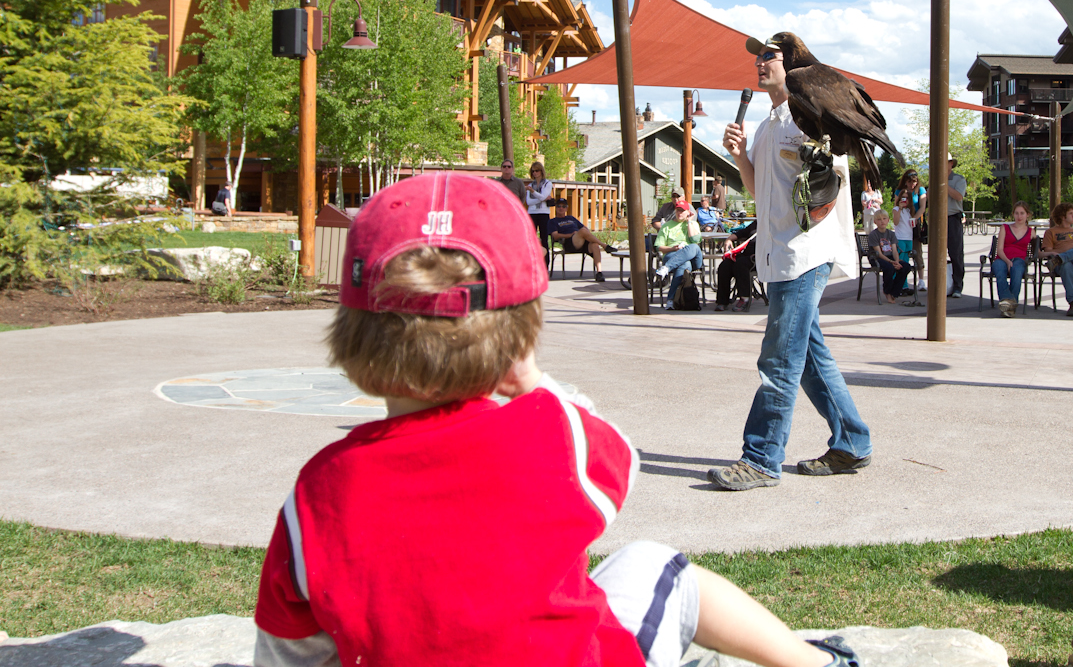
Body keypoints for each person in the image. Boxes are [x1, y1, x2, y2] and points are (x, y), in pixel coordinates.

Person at [251, 171, 858, 667]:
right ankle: (818, 665)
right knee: (657, 566)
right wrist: (534, 384)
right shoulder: (551, 434)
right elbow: (620, 463)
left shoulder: (316, 494)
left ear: (351, 335)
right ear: (521, 336)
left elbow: (289, 654)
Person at [711, 34, 868, 491]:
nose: (760, 63)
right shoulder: (766, 125)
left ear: (792, 64)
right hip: (776, 254)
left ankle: (761, 458)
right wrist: (739, 155)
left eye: (770, 56)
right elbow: (756, 188)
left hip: (806, 253)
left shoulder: (813, 115)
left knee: (779, 360)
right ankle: (853, 442)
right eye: (757, 57)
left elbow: (835, 175)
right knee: (811, 360)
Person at [655, 199, 703, 310]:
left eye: (682, 211)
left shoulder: (694, 224)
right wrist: (672, 248)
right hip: (672, 254)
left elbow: (695, 240)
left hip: (693, 258)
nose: (679, 213)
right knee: (684, 265)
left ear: (688, 212)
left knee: (694, 247)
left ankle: (666, 268)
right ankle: (671, 301)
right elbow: (659, 247)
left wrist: (690, 222)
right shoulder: (666, 226)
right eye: (678, 210)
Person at [989, 201, 1033, 318]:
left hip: (1019, 258)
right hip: (1002, 257)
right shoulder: (1005, 228)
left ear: (1027, 214)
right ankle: (1009, 302)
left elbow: (1037, 251)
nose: (1019, 216)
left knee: (1017, 270)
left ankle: (1008, 305)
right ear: (1013, 214)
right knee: (999, 269)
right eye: (1017, 213)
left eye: (1022, 213)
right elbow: (1000, 249)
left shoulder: (1031, 231)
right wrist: (1008, 261)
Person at [547, 212, 614, 281]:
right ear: (556, 208)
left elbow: (585, 228)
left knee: (595, 245)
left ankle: (599, 273)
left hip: (581, 239)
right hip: (569, 242)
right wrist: (570, 235)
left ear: (566, 208)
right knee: (582, 231)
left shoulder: (571, 218)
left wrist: (583, 235)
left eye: (563, 206)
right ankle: (604, 246)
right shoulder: (553, 221)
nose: (561, 208)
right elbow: (555, 236)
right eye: (559, 206)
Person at [867, 210, 910, 304]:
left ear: (888, 220)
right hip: (877, 258)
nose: (882, 221)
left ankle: (895, 292)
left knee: (905, 266)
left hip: (890, 257)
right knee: (889, 268)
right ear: (875, 222)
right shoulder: (873, 235)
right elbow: (879, 253)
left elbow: (894, 250)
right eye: (879, 219)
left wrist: (897, 261)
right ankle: (887, 291)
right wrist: (892, 262)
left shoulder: (891, 234)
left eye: (884, 219)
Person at [895, 170, 928, 291]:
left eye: (914, 182)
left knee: (917, 251)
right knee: (903, 253)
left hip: (915, 222)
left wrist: (914, 218)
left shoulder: (920, 190)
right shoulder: (900, 192)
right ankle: (902, 281)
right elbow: (896, 205)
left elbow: (923, 207)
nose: (912, 185)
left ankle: (921, 280)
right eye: (909, 182)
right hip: (903, 223)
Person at [715, 222, 757, 313]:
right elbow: (741, 233)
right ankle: (722, 301)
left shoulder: (773, 224)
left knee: (741, 264)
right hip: (746, 256)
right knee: (725, 265)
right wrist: (729, 239)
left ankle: (745, 298)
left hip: (760, 259)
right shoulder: (757, 223)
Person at [944, 156, 967, 298]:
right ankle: (940, 285)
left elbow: (959, 196)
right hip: (937, 219)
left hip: (953, 219)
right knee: (937, 254)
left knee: (956, 253)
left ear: (951, 164)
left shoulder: (959, 179)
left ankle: (958, 286)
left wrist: (944, 185)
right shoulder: (934, 178)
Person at [523, 162, 553, 251]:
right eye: (533, 171)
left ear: (541, 171)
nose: (535, 173)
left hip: (543, 213)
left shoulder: (547, 183)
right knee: (531, 238)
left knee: (544, 239)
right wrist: (541, 198)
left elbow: (543, 196)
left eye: (537, 171)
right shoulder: (530, 185)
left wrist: (533, 192)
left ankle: (545, 263)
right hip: (532, 212)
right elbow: (529, 202)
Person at [892, 192, 917, 297]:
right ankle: (895, 285)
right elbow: (896, 222)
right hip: (900, 238)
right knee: (898, 262)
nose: (905, 200)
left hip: (908, 238)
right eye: (903, 198)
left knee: (906, 263)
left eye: (907, 198)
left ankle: (904, 286)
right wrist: (900, 208)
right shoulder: (897, 209)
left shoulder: (910, 210)